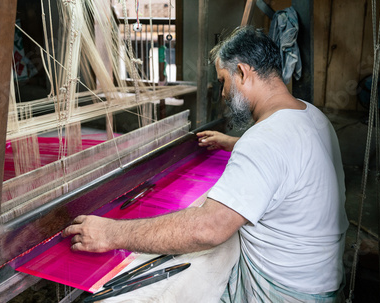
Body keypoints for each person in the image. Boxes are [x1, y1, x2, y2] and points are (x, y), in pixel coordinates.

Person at [63, 26, 348, 302]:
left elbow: (208, 229)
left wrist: (111, 233)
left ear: (242, 72)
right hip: (319, 281)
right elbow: (289, 160)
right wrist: (233, 143)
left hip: (279, 292)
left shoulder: (264, 142)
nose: (223, 93)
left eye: (223, 80)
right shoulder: (311, 116)